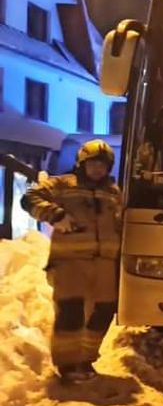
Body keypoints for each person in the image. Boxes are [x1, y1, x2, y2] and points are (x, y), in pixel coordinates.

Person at [22, 139, 123, 384]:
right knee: (71, 313)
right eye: (93, 163)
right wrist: (55, 214)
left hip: (105, 265)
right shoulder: (62, 184)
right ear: (82, 163)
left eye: (103, 164)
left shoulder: (114, 192)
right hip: (70, 262)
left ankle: (86, 358)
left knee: (104, 312)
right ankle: (67, 366)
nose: (98, 168)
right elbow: (30, 198)